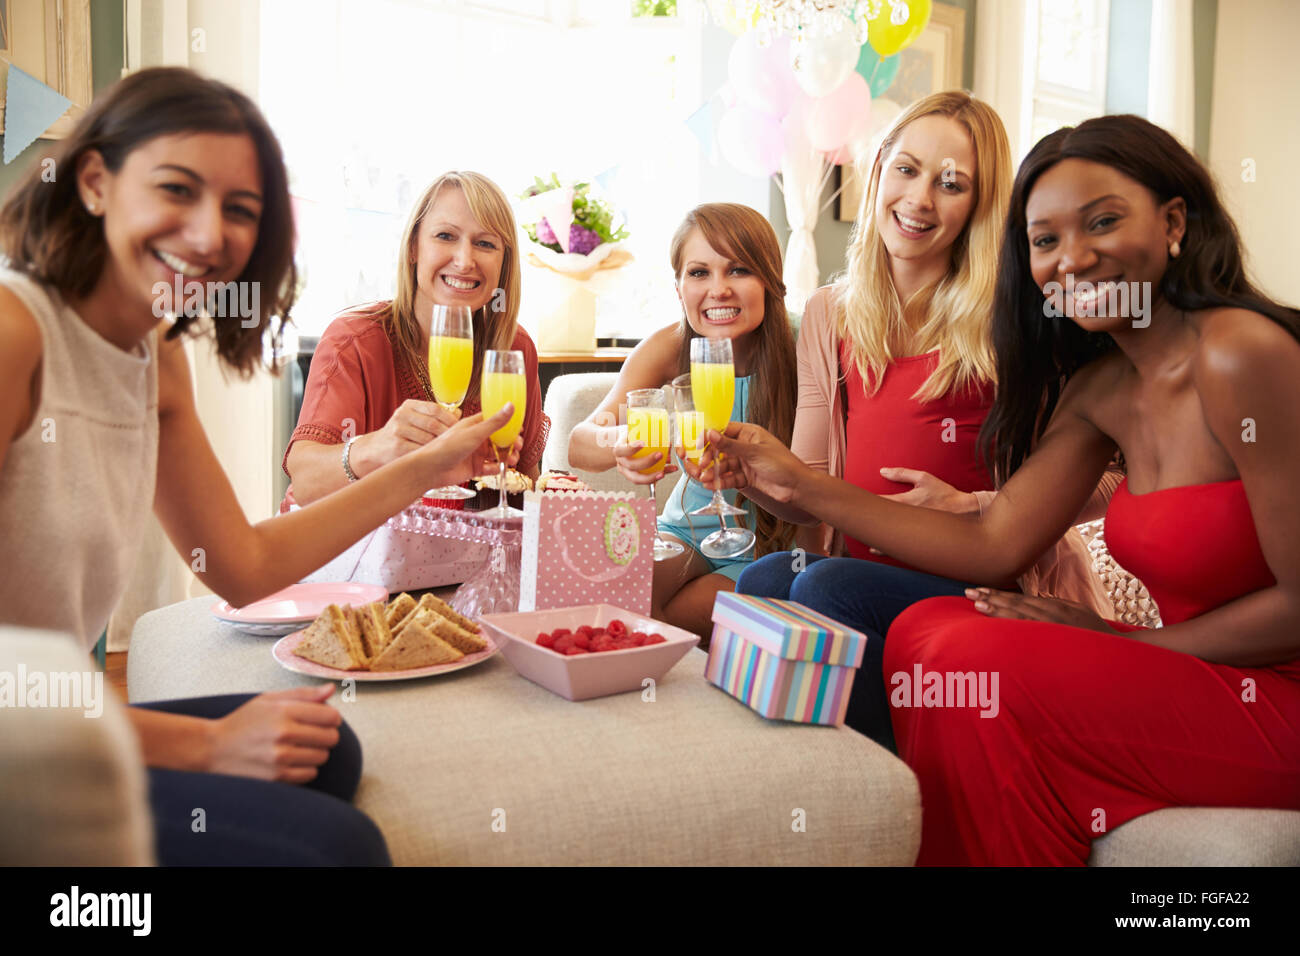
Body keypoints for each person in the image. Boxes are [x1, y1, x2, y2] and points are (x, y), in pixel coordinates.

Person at [692, 114, 1300, 866]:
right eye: (1045, 240)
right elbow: (994, 542)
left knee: (962, 661)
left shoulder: (1241, 354)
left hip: (1271, 691)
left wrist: (1127, 642)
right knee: (924, 631)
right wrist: (794, 482)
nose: (1072, 258)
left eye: (1102, 222)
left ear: (1174, 223)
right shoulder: (1103, 388)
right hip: (1189, 670)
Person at [0, 68, 519, 865]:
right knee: (341, 847)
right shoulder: (15, 333)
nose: (209, 234)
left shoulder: (153, 357)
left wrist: (422, 468)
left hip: (41, 721)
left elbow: (241, 568)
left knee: (329, 751)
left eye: (240, 209)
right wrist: (205, 746)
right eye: (177, 189)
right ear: (96, 182)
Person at [735, 91, 1116, 748]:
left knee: (827, 586)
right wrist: (745, 476)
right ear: (879, 168)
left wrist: (978, 504)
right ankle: (807, 781)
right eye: (907, 170)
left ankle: (905, 782)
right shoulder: (829, 314)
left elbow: (1110, 478)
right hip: (855, 565)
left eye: (951, 184)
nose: (919, 199)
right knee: (763, 579)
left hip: (981, 578)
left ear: (979, 204)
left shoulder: (1015, 320)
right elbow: (809, 489)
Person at [568, 203, 798, 638]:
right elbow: (580, 444)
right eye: (699, 273)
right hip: (683, 532)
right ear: (679, 289)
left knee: (667, 621)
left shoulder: (805, 345)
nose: (719, 289)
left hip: (765, 548)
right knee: (616, 598)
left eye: (739, 270)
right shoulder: (670, 347)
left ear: (770, 280)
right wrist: (623, 440)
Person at [283, 170, 549, 511]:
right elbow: (306, 483)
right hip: (346, 542)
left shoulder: (512, 350)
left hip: (458, 544)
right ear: (413, 247)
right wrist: (378, 448)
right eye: (445, 236)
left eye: (485, 243)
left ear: (504, 263)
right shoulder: (353, 341)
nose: (464, 261)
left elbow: (523, 484)